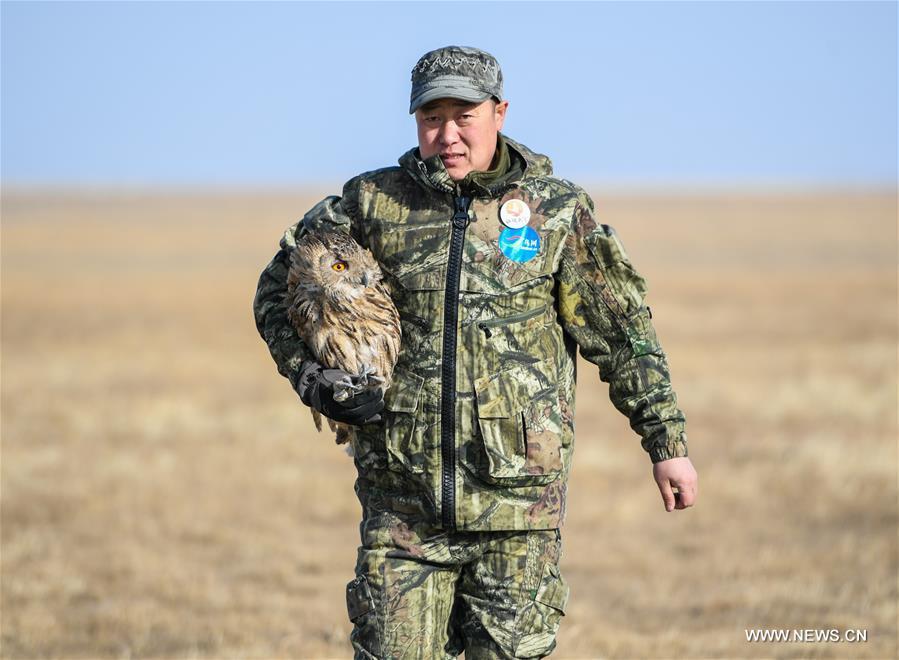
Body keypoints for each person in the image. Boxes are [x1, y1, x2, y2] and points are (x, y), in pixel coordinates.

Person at [253, 45, 698, 659]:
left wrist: (666, 443)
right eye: (432, 118)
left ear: (500, 112)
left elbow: (624, 335)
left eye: (464, 115)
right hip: (402, 511)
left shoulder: (555, 212)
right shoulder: (369, 205)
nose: (448, 135)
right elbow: (278, 290)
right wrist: (311, 378)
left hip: (518, 513)